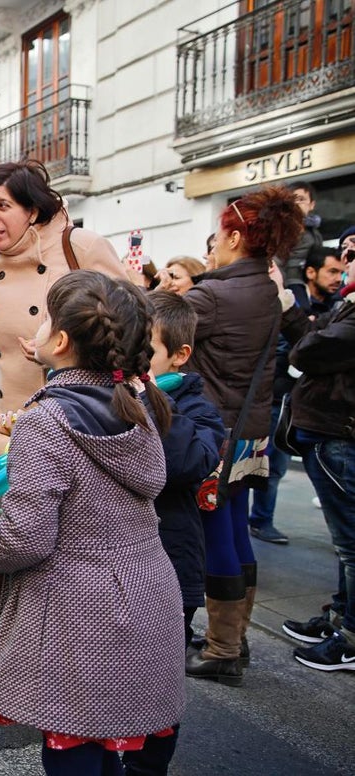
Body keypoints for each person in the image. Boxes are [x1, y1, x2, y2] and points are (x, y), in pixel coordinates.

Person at [0, 271, 182, 775]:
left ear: (59, 341)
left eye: (44, 318)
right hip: (148, 595)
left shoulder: (47, 419)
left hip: (80, 612)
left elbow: (27, 538)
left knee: (77, 745)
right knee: (134, 746)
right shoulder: (136, 402)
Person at [0, 159, 124, 713]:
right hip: (1, 426)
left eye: (3, 205)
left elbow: (132, 323)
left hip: (75, 426)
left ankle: (65, 674)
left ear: (33, 209)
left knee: (59, 556)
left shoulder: (82, 248)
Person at [183, 186, 304, 687]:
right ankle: (236, 637)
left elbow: (163, 338)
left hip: (217, 434)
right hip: (250, 434)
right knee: (235, 528)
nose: (211, 244)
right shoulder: (268, 290)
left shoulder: (212, 294)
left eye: (217, 234)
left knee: (216, 534)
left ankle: (223, 647)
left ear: (234, 236)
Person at [278, 281, 355, 670]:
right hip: (328, 435)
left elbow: (309, 348)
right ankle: (341, 620)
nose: (347, 258)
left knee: (351, 544)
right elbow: (310, 336)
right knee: (346, 544)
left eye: (353, 251)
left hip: (339, 436)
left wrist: (296, 318)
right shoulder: (347, 305)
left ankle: (351, 638)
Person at [249, 244, 346, 545]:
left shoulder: (336, 306)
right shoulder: (295, 300)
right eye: (333, 270)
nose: (338, 278)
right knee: (271, 465)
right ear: (310, 271)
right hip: (281, 397)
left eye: (342, 271)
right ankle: (261, 520)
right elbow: (293, 349)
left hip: (307, 403)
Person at [146, 290, 226, 652]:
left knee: (154, 666)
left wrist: (151, 398)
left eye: (145, 351)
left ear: (180, 355)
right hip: (115, 563)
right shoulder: (113, 395)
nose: (133, 361)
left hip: (170, 557)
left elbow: (186, 463)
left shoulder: (197, 410)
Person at [283, 181, 323, 286]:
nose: (296, 203)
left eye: (301, 199)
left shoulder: (315, 232)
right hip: (290, 285)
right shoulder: (280, 229)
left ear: (312, 205)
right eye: (292, 200)